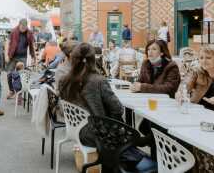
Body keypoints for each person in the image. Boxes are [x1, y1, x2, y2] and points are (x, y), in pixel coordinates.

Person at [60, 43, 154, 172]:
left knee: (120, 130)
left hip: (77, 131)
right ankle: (137, 147)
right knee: (122, 127)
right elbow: (118, 109)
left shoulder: (64, 81)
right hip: (98, 133)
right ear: (93, 60)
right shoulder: (98, 80)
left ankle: (133, 146)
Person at [6, 19, 35, 99]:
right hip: (12, 56)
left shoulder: (29, 33)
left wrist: (33, 57)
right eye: (22, 27)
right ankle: (11, 90)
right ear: (19, 25)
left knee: (22, 75)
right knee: (9, 74)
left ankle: (20, 94)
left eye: (25, 27)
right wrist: (6, 55)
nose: (23, 29)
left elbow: (32, 45)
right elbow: (7, 43)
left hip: (23, 57)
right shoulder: (13, 31)